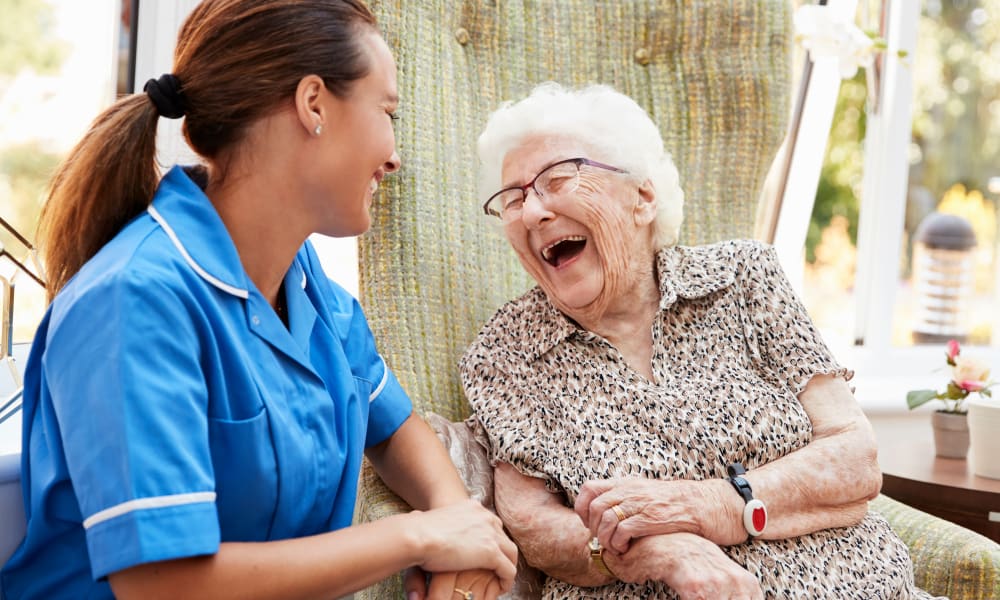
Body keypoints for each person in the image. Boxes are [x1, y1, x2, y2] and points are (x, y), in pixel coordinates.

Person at [0, 1, 518, 599]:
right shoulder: (133, 301)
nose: (395, 155)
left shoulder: (302, 282)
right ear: (314, 104)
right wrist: (421, 538)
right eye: (387, 111)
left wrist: (460, 524)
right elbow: (164, 584)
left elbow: (393, 426)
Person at [459, 82, 940, 599]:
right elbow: (536, 530)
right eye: (513, 199)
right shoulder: (506, 353)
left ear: (642, 197)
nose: (532, 213)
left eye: (557, 179)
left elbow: (854, 459)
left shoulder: (742, 278)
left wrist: (705, 508)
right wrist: (664, 551)